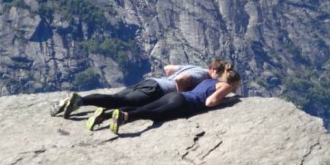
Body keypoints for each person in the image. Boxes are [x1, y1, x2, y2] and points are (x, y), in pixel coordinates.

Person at [50, 60, 227, 125]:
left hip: (152, 82)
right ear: (212, 69)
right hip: (158, 90)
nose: (217, 78)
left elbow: (168, 68)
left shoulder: (193, 66)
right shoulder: (202, 74)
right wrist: (183, 89)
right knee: (119, 101)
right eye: (217, 74)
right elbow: (181, 80)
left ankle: (86, 105)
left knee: (119, 98)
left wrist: (172, 79)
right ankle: (81, 101)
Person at [104, 64, 241, 135]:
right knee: (155, 115)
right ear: (234, 82)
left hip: (175, 95)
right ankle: (125, 116)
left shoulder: (209, 80)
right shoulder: (226, 86)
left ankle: (106, 115)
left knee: (146, 108)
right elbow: (209, 102)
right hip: (184, 104)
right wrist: (224, 100)